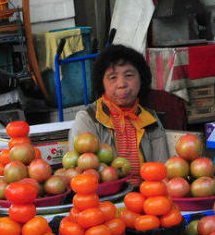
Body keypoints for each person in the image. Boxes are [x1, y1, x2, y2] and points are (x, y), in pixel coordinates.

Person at [68, 44, 169, 177]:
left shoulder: (150, 118)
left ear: (141, 79)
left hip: (148, 194)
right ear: (102, 83)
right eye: (113, 77)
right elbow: (83, 173)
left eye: (129, 75)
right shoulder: (88, 119)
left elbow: (162, 169)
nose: (122, 84)